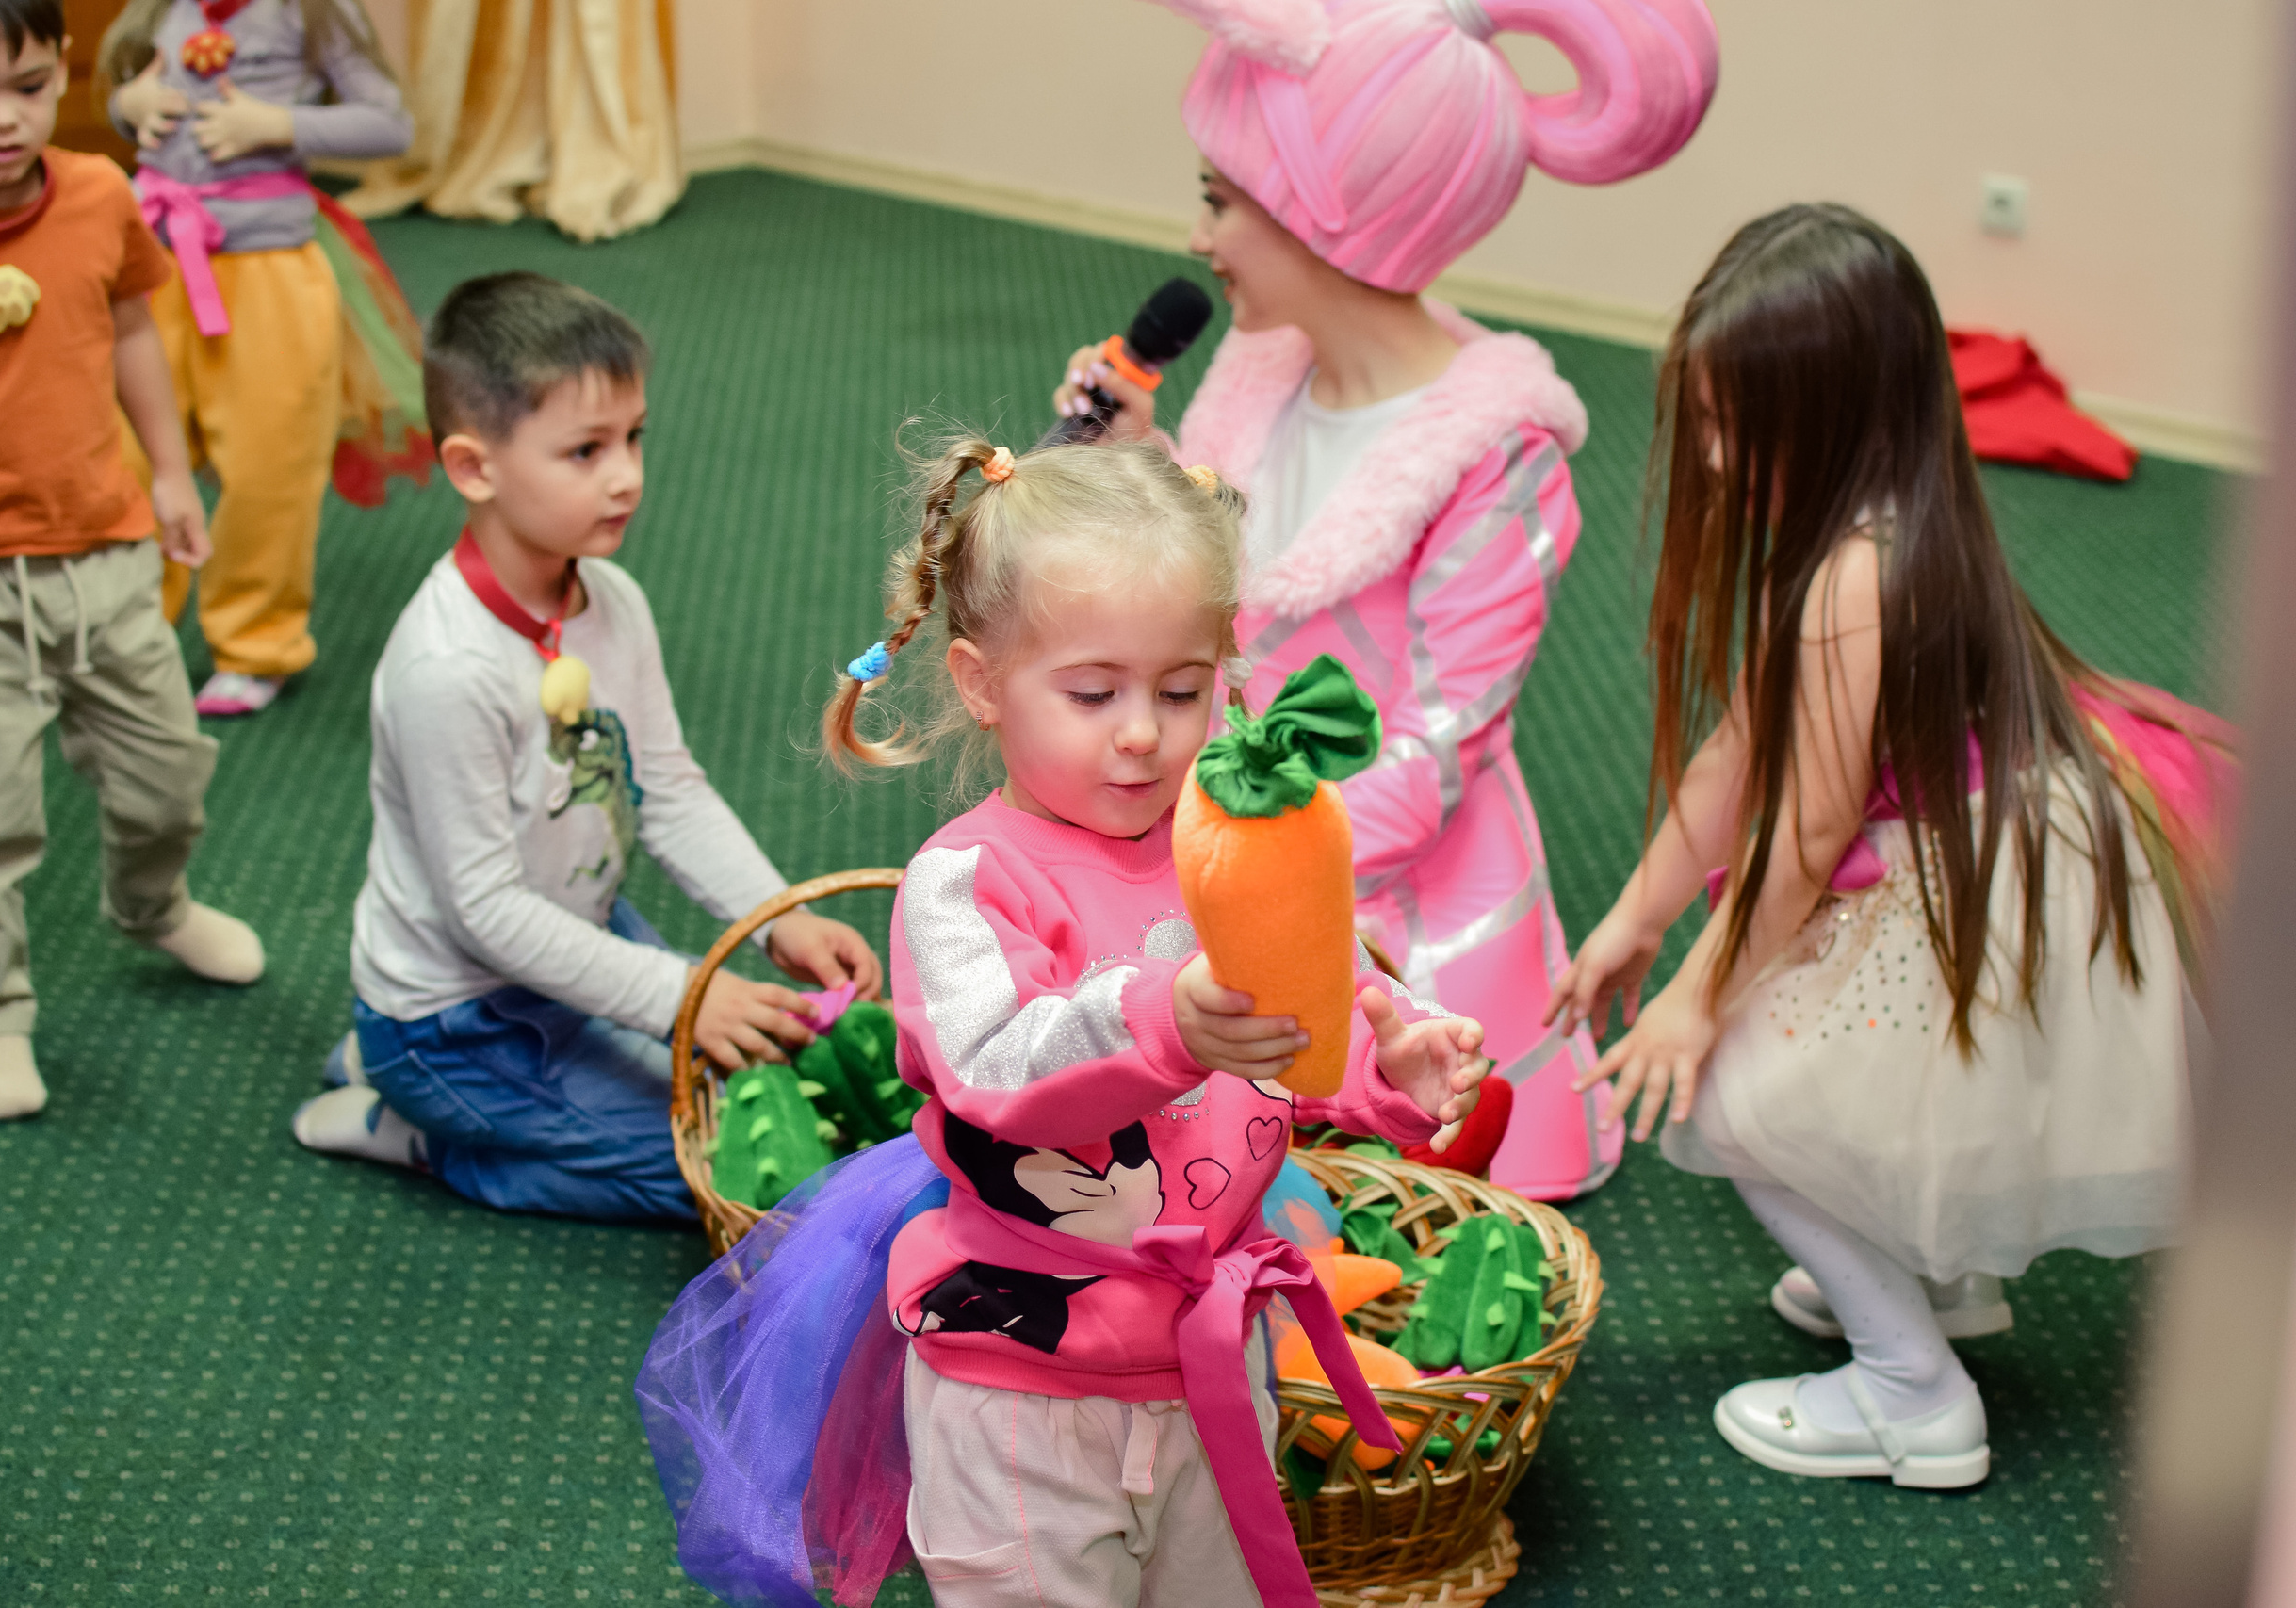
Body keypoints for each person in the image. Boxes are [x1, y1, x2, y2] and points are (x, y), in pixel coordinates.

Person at [637, 436, 1490, 1608]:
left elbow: (1305, 1023)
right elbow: (995, 1071)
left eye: (1183, 689)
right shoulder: (968, 882)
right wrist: (1166, 1025)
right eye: (1094, 693)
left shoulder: (1233, 843)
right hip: (1026, 1386)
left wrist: (1390, 1056)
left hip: (1212, 1364)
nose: (1143, 732)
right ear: (984, 683)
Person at [1548, 204, 2233, 1488]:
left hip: (1978, 865)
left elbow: (1804, 832)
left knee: (1741, 1099)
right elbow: (1737, 753)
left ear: (1837, 409)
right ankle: (1936, 1268)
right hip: (2002, 833)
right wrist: (1634, 917)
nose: (1704, 450)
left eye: (1733, 419)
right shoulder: (1873, 514)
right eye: (1700, 412)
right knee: (1863, 1077)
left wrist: (1697, 994)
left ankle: (1914, 1390)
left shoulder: (1852, 579)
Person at [1053, 0, 1718, 1200]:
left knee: (1381, 1157)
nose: (1198, 235)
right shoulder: (1267, 367)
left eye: (1220, 199)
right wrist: (1142, 467)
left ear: (1326, 213)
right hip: (1223, 817)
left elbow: (1442, 739)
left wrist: (1253, 871)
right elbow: (1229, 599)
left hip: (1379, 868)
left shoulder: (1497, 449)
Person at [290, 272, 881, 1221]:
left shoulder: (611, 600)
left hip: (573, 945)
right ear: (475, 468)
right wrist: (685, 993)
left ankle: (410, 1078)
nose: (627, 476)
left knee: (764, 1084)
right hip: (458, 1017)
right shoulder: (446, 667)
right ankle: (420, 1129)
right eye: (585, 450)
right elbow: (483, 911)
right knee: (723, 1164)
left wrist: (778, 919)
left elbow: (672, 789)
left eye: (633, 436)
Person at [0, 0, 267, 1122]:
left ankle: (152, 905)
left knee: (165, 773)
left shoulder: (99, 193)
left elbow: (133, 330)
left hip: (103, 552)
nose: (5, 119)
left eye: (32, 86)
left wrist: (163, 472)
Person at [100, 0, 424, 718]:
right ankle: (130, 639)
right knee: (129, 456)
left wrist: (279, 125)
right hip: (154, 268)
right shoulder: (165, 7)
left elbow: (390, 123)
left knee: (267, 464)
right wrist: (134, 104)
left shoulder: (313, 12)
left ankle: (253, 643)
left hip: (267, 268)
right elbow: (126, 89)